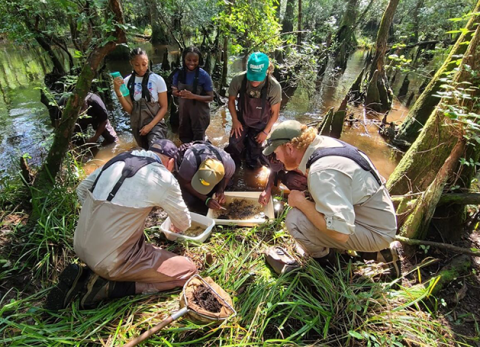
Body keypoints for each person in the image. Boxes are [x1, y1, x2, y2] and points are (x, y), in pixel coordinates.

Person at [45, 139, 197, 310]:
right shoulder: (163, 177)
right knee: (188, 270)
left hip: (80, 246)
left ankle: (93, 271)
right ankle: (110, 287)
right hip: (111, 262)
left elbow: (82, 190)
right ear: (170, 163)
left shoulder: (119, 159)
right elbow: (183, 223)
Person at [262, 120, 400, 277]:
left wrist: (300, 202)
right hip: (375, 216)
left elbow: (340, 233)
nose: (276, 158)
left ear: (289, 148)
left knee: (295, 220)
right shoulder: (323, 144)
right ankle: (378, 255)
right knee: (313, 201)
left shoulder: (321, 171)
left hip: (376, 231)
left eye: (276, 152)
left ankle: (327, 267)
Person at [225, 52, 282, 170]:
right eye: (252, 77)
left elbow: (275, 114)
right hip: (242, 118)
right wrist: (235, 121)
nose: (254, 82)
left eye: (258, 78)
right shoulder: (239, 79)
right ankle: (234, 167)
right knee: (234, 143)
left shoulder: (274, 87)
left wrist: (265, 132)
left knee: (254, 151)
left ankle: (251, 164)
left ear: (267, 71)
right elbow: (231, 101)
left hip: (261, 123)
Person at [113, 48, 168, 149]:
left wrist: (150, 126)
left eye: (144, 64)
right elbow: (130, 110)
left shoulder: (157, 80)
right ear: (131, 63)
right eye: (137, 65)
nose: (141, 68)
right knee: (145, 153)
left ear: (148, 62)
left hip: (156, 124)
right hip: (138, 126)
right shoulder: (127, 82)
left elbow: (164, 107)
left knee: (156, 149)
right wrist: (118, 91)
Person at [176, 141, 235, 215]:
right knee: (188, 200)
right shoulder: (190, 162)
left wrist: (221, 190)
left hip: (213, 156)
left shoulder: (229, 164)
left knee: (229, 186)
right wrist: (205, 199)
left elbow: (227, 177)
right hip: (192, 159)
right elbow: (183, 183)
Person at [171, 46, 214, 143]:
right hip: (184, 113)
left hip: (199, 115)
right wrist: (177, 93)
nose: (191, 63)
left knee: (198, 140)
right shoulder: (178, 74)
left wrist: (193, 96)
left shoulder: (204, 76)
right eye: (188, 60)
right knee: (184, 137)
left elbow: (210, 98)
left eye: (195, 60)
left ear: (199, 60)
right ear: (184, 59)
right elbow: (174, 90)